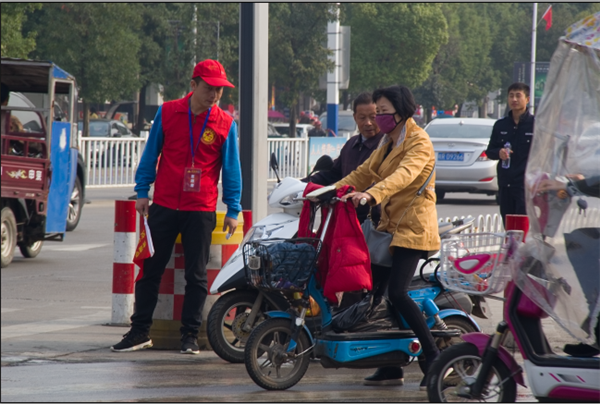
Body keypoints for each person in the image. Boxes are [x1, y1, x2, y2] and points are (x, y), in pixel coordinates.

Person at [111, 59, 242, 354]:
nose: (215, 95)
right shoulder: (168, 112)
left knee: (196, 275)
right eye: (209, 88)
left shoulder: (225, 123)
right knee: (150, 270)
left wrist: (233, 208)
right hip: (164, 204)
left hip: (201, 209)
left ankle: (189, 336)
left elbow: (232, 169)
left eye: (220, 90)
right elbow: (151, 153)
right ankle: (139, 332)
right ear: (193, 85)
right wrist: (142, 191)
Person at [334, 85, 440, 389]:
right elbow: (363, 173)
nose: (378, 118)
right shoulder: (387, 142)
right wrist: (329, 192)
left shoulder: (418, 142)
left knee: (397, 293)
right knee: (374, 294)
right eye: (376, 112)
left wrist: (371, 195)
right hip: (390, 227)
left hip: (413, 229)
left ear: (401, 112)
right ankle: (391, 365)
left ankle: (434, 357)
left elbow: (402, 176)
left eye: (383, 112)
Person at [307, 92, 384, 225]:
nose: (368, 123)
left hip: (373, 220)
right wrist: (304, 184)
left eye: (373, 117)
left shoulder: (386, 145)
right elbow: (333, 173)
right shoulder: (351, 144)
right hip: (345, 215)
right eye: (362, 118)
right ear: (355, 118)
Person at [486, 83, 535, 227]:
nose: (514, 99)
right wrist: (499, 152)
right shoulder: (500, 125)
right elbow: (490, 151)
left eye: (518, 96)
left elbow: (544, 154)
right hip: (505, 184)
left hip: (526, 185)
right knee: (508, 225)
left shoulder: (536, 125)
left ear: (527, 99)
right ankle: (510, 242)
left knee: (522, 225)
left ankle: (522, 243)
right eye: (511, 96)